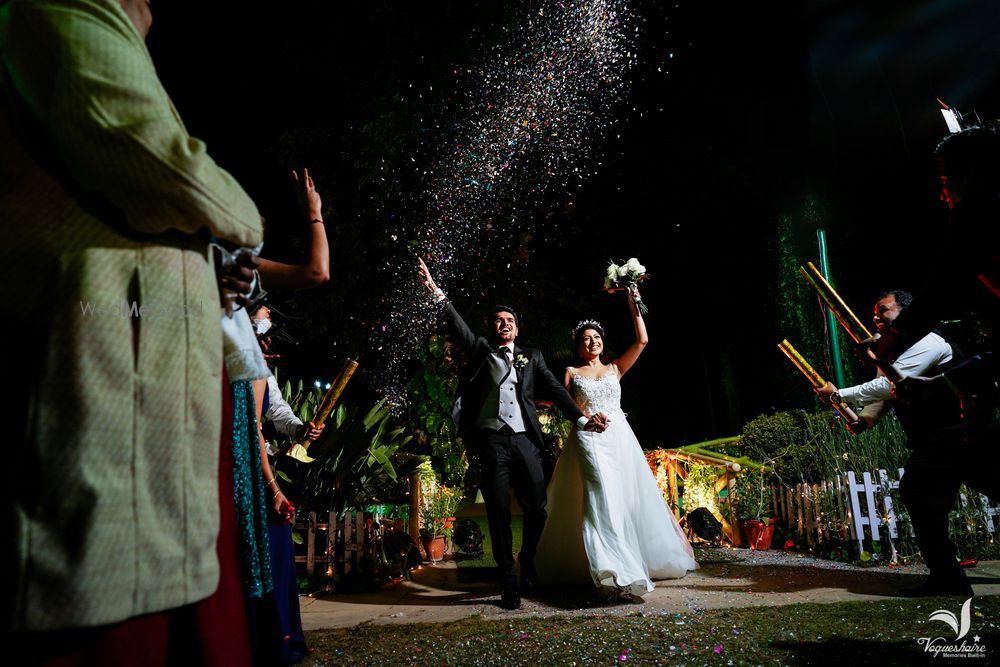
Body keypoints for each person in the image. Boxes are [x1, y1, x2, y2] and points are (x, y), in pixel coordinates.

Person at [1, 0, 265, 662]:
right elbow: (161, 163)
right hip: (102, 398)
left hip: (143, 414)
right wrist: (244, 218)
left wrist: (211, 267)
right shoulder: (63, 4)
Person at [418, 258, 608, 610]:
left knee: (537, 509)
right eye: (498, 321)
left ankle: (529, 559)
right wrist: (435, 291)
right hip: (491, 442)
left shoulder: (532, 357)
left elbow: (558, 392)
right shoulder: (480, 351)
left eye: (510, 321)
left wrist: (582, 420)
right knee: (498, 513)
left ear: (517, 330)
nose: (504, 325)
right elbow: (456, 324)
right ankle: (508, 580)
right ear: (491, 328)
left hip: (525, 441)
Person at [819, 290, 995, 596]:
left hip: (956, 431)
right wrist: (866, 420)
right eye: (874, 312)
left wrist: (839, 394)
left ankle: (948, 578)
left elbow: (887, 386)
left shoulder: (927, 340)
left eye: (884, 310)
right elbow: (890, 391)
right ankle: (947, 577)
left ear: (906, 315)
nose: (875, 317)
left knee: (918, 489)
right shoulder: (892, 351)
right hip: (947, 436)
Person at [535, 286, 697, 598]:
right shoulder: (571, 372)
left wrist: (632, 303)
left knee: (624, 497)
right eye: (586, 339)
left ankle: (628, 558)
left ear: (602, 342)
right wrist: (584, 418)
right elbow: (564, 407)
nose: (592, 342)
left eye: (596, 337)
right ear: (579, 346)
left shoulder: (615, 368)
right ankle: (611, 569)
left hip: (619, 438)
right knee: (600, 493)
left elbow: (643, 341)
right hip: (587, 438)